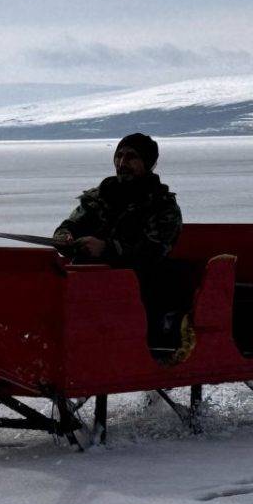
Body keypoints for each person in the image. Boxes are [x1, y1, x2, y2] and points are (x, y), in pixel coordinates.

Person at [53, 133, 185, 352]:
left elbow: (154, 252)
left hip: (139, 288)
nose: (122, 163)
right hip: (88, 283)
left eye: (131, 157)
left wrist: (106, 249)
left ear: (147, 163)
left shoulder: (163, 207)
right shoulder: (98, 198)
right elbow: (70, 225)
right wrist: (64, 237)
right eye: (119, 156)